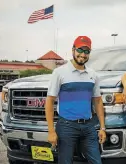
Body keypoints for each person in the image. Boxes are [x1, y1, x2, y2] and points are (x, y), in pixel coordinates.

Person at [45, 36, 106, 164]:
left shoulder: (93, 75)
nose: (83, 55)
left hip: (89, 126)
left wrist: (102, 128)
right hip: (66, 126)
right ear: (73, 49)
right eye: (80, 50)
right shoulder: (59, 73)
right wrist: (51, 131)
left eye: (86, 51)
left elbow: (98, 101)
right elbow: (49, 102)